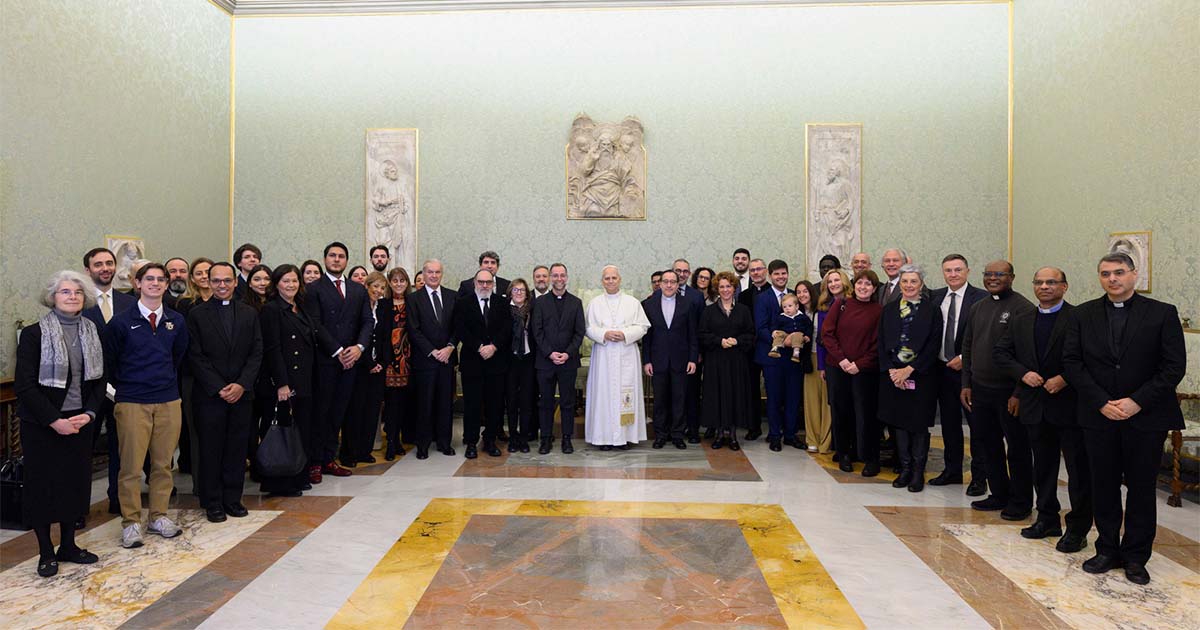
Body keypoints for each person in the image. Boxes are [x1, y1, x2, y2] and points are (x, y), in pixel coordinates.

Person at [1063, 253, 1185, 585]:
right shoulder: (1083, 314)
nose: (1112, 279)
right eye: (1105, 273)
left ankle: (1136, 556)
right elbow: (1072, 362)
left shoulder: (1162, 313)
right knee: (1102, 485)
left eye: (1119, 272)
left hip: (1146, 417)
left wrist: (1136, 401)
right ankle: (1106, 549)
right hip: (1098, 415)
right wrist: (1101, 402)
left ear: (1134, 274)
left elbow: (1173, 367)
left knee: (1141, 489)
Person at [15, 270, 106, 577]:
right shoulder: (34, 334)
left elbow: (100, 380)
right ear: (52, 297)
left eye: (77, 292)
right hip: (41, 424)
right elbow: (24, 386)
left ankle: (68, 545)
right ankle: (45, 551)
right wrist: (54, 420)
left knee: (75, 484)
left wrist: (89, 414)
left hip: (80, 420)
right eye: (65, 292)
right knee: (42, 487)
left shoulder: (92, 331)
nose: (72, 297)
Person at [994, 267, 1091, 551]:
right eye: (1039, 282)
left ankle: (1077, 528)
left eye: (1051, 282)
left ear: (1064, 286)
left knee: (1077, 471)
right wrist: (1023, 374)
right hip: (1035, 405)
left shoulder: (1079, 317)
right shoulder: (1022, 319)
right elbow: (1001, 352)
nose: (1045, 286)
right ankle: (1047, 518)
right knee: (1044, 468)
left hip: (1070, 406)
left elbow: (1090, 356)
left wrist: (1065, 378)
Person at [102, 263, 189, 549]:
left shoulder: (176, 321)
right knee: (130, 467)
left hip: (168, 400)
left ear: (166, 284)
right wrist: (128, 387)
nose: (155, 283)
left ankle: (159, 516)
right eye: (149, 279)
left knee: (163, 464)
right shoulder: (120, 323)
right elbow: (110, 363)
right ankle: (131, 522)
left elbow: (177, 358)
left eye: (160, 279)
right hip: (132, 402)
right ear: (137, 283)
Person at [187, 262, 263, 523]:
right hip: (210, 395)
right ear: (209, 282)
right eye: (217, 280)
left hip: (242, 394)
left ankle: (232, 498)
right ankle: (212, 501)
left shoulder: (249, 313)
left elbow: (257, 352)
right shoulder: (197, 314)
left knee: (237, 448)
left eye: (227, 280)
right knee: (210, 449)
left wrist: (242, 384)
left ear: (235, 282)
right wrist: (219, 387)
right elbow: (195, 355)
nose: (222, 285)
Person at [961, 260, 1036, 520]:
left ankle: (1021, 501)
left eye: (999, 274)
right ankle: (999, 494)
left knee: (1017, 448)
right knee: (988, 444)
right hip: (980, 389)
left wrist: (1018, 393)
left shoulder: (1023, 308)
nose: (993, 278)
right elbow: (968, 346)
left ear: (1011, 277)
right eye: (989, 274)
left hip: (1009, 393)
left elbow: (1028, 356)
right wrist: (966, 383)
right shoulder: (978, 307)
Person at [306, 242, 373, 480]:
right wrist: (338, 350)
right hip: (326, 360)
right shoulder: (313, 289)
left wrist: (359, 348)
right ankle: (314, 462)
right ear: (325, 259)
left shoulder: (358, 290)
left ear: (346, 260)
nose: (336, 259)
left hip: (352, 361)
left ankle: (328, 458)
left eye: (341, 256)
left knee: (339, 412)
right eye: (332, 256)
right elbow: (315, 323)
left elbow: (367, 321)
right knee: (321, 412)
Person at [81, 247, 138, 515]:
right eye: (98, 264)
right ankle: (78, 507)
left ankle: (118, 500)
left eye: (109, 263)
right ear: (88, 270)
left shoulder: (130, 302)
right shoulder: (78, 301)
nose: (105, 268)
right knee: (82, 451)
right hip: (87, 389)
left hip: (122, 388)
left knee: (122, 448)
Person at [878, 265, 942, 493]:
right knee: (898, 423)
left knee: (918, 424)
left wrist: (910, 369)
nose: (908, 285)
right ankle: (904, 469)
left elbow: (934, 344)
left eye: (913, 281)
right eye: (905, 281)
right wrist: (892, 371)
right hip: (893, 376)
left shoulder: (932, 310)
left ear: (921, 284)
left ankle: (917, 472)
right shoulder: (889, 309)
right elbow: (881, 341)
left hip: (921, 376)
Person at [928, 255, 989, 493]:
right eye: (948, 270)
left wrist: (964, 358)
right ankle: (952, 470)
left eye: (957, 270)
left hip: (969, 373)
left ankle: (979, 477)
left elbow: (986, 336)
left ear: (967, 271)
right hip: (942, 371)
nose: (953, 274)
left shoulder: (981, 298)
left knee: (976, 426)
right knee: (949, 424)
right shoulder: (935, 297)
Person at [259, 264, 322, 496]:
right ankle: (279, 483)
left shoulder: (300, 307)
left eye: (294, 281)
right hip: (285, 382)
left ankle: (299, 476)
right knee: (282, 432)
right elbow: (272, 349)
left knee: (301, 429)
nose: (291, 285)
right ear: (276, 284)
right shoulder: (271, 310)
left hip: (304, 378)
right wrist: (281, 383)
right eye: (286, 281)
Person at [822, 270, 883, 475]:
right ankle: (844, 454)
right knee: (841, 412)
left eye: (868, 284)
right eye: (860, 283)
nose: (863, 287)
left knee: (866, 414)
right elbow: (827, 334)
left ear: (874, 289)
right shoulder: (841, 305)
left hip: (865, 371)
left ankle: (869, 458)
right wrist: (842, 360)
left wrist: (860, 364)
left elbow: (878, 343)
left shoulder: (879, 310)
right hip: (837, 368)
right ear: (853, 285)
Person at [584, 265, 650, 449]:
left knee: (626, 395)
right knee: (603, 395)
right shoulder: (595, 303)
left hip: (626, 354)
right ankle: (603, 438)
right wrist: (604, 334)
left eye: (614, 278)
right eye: (607, 278)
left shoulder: (632, 302)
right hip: (603, 355)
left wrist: (625, 334)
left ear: (620, 280)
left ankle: (625, 438)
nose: (611, 281)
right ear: (602, 281)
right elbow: (587, 327)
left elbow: (642, 326)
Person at [452, 269, 512, 457]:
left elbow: (507, 329)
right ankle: (471, 442)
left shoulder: (502, 303)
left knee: (495, 404)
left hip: (496, 361)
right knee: (472, 405)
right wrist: (479, 347)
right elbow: (460, 329)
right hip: (473, 362)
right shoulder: (463, 303)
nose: (485, 285)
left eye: (488, 282)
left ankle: (490, 440)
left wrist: (493, 346)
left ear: (493, 284)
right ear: (475, 283)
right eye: (481, 282)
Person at [531, 263, 586, 454]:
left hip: (568, 361)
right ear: (550, 278)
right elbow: (537, 331)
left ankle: (567, 439)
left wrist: (568, 353)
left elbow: (579, 332)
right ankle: (546, 439)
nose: (559, 279)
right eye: (555, 275)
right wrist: (550, 353)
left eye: (562, 275)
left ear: (567, 277)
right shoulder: (540, 302)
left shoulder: (576, 302)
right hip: (545, 361)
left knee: (568, 402)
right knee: (545, 402)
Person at [407, 259, 459, 459]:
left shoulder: (452, 296)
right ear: (424, 274)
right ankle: (423, 445)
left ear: (441, 274)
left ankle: (445, 443)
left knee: (445, 404)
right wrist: (432, 351)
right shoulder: (413, 299)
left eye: (437, 272)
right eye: (430, 272)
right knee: (424, 404)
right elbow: (414, 330)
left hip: (447, 359)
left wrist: (450, 347)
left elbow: (458, 327)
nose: (434, 275)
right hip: (425, 360)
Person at [755, 260, 809, 452]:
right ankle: (775, 435)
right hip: (773, 357)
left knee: (793, 398)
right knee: (774, 399)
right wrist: (782, 340)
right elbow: (760, 327)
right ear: (770, 276)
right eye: (776, 274)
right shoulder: (762, 298)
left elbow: (803, 322)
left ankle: (790, 435)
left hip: (794, 358)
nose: (780, 277)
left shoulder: (794, 295)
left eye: (783, 273)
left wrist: (803, 337)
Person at [698, 272, 755, 450]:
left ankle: (732, 436)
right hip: (715, 360)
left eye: (728, 286)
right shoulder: (708, 311)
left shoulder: (744, 310)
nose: (725, 290)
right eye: (721, 287)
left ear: (734, 288)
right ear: (717, 289)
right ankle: (719, 434)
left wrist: (737, 341)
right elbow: (702, 334)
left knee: (734, 396)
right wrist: (719, 341)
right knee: (717, 396)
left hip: (737, 361)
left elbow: (751, 334)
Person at [642, 270, 697, 450]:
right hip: (657, 360)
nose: (669, 285)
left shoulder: (688, 304)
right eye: (665, 281)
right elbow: (647, 337)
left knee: (679, 399)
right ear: (660, 283)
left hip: (681, 360)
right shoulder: (649, 305)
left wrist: (692, 359)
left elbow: (692, 334)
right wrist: (647, 360)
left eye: (673, 282)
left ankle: (677, 435)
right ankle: (660, 435)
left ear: (678, 284)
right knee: (660, 400)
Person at [172, 257, 214, 480]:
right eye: (199, 273)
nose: (204, 276)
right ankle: (199, 477)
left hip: (224, 374)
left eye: (208, 272)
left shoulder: (229, 302)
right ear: (192, 279)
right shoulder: (184, 305)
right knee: (194, 428)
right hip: (192, 374)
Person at [343, 271, 390, 466]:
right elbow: (355, 337)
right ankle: (349, 453)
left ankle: (365, 450)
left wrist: (382, 363)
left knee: (372, 411)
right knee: (356, 410)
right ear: (366, 286)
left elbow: (386, 338)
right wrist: (369, 364)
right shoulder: (356, 307)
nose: (378, 291)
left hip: (378, 368)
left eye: (382, 288)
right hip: (360, 366)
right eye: (375, 286)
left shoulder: (383, 308)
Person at [811, 269, 850, 454]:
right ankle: (838, 446)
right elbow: (821, 340)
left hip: (853, 362)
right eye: (830, 281)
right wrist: (821, 366)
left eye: (836, 280)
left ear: (844, 282)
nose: (833, 284)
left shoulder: (853, 303)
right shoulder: (824, 308)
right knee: (835, 404)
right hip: (832, 362)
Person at [241, 264, 273, 478]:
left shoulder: (277, 305)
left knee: (269, 420)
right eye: (257, 279)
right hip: (251, 371)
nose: (262, 283)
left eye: (266, 279)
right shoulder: (243, 307)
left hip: (271, 371)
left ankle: (266, 462)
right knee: (250, 422)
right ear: (250, 283)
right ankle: (252, 460)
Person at [380, 267, 412, 460]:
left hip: (409, 360)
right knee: (392, 404)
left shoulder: (412, 302)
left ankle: (399, 440)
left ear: (407, 283)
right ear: (390, 283)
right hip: (390, 360)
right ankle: (391, 442)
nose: (399, 284)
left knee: (404, 404)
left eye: (402, 280)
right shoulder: (383, 304)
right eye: (395, 280)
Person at [671, 259, 705, 442]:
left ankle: (692, 430)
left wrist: (697, 352)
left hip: (691, 354)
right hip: (670, 354)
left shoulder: (696, 296)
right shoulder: (662, 294)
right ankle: (672, 429)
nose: (682, 274)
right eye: (678, 270)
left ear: (689, 274)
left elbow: (701, 327)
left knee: (691, 393)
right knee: (672, 393)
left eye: (685, 271)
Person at [739, 258, 770, 441]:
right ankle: (753, 426)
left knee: (772, 389)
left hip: (770, 347)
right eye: (753, 270)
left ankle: (776, 428)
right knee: (751, 389)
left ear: (765, 271)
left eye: (759, 269)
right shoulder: (743, 296)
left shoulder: (774, 292)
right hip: (750, 349)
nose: (756, 273)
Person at [506, 278, 537, 453]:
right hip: (509, 360)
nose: (519, 293)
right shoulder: (504, 309)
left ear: (527, 294)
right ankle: (513, 438)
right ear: (510, 292)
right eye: (515, 290)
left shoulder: (532, 310)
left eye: (522, 290)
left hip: (528, 359)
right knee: (511, 402)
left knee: (526, 402)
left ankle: (524, 439)